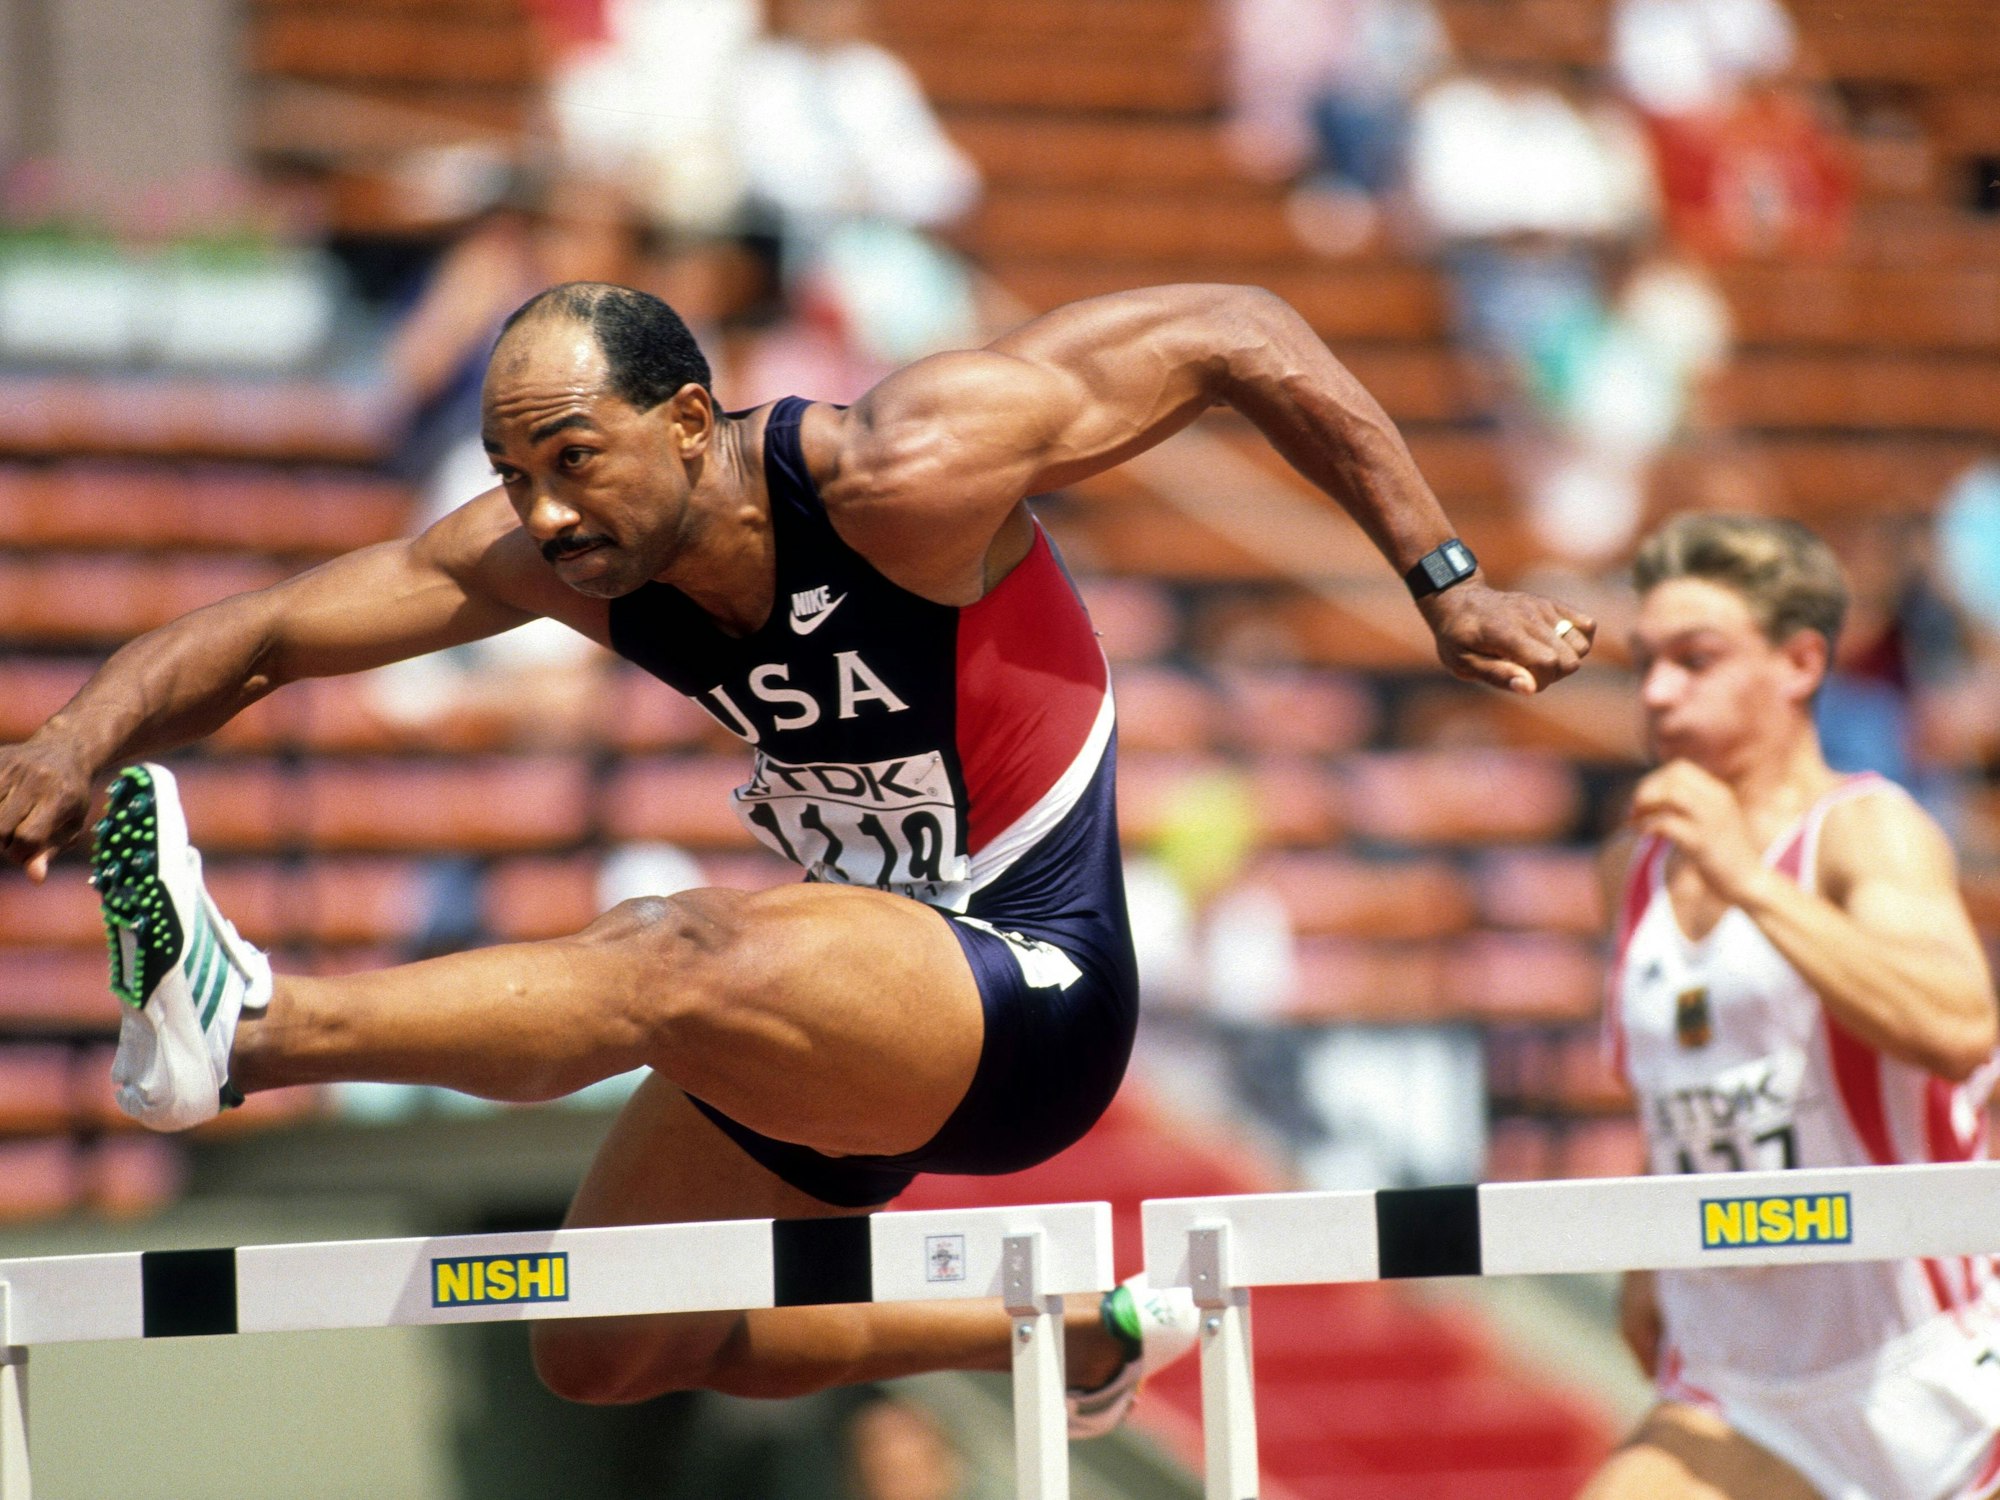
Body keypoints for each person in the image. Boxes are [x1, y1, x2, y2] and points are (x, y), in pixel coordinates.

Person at [0, 280, 1592, 1431]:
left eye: (572, 460)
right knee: (605, 1344)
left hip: (1032, 992)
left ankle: (257, 1029)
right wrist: (76, 739)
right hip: (854, 998)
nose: (544, 517)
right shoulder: (567, 563)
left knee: (674, 949)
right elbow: (273, 632)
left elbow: (1240, 329)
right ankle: (1075, 1340)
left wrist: (1446, 584)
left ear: (690, 421)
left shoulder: (906, 467)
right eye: (512, 479)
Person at [1585, 513, 2000, 1500]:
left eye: (1695, 660)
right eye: (1645, 663)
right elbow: (1683, 1087)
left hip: (1937, 1362)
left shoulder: (1865, 831)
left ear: (1799, 663)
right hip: (1739, 1383)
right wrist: (1645, 1259)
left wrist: (1749, 881)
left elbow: (1958, 1030)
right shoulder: (1629, 867)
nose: (1657, 692)